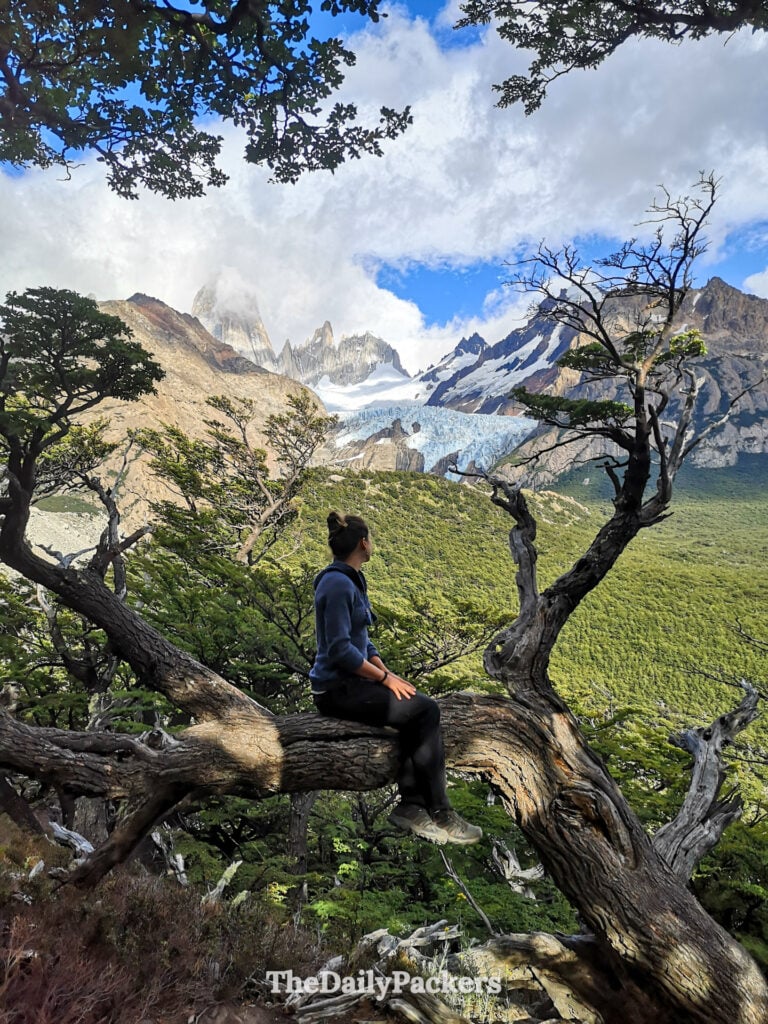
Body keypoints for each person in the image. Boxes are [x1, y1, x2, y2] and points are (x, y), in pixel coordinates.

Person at [310, 511, 482, 845]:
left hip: (352, 682)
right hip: (336, 689)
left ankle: (412, 806)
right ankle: (438, 811)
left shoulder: (351, 579)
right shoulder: (336, 583)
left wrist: (387, 673)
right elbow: (340, 651)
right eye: (371, 539)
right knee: (426, 710)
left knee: (411, 707)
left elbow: (364, 642)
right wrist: (385, 680)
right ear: (363, 543)